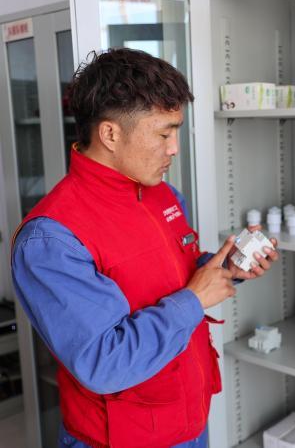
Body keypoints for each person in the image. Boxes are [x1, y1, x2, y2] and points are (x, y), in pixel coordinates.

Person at [11, 48, 278, 448]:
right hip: (121, 438)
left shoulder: (161, 194)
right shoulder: (52, 238)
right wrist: (194, 299)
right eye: (164, 133)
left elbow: (175, 276)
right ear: (110, 134)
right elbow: (103, 362)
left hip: (187, 421)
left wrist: (226, 269)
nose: (174, 148)